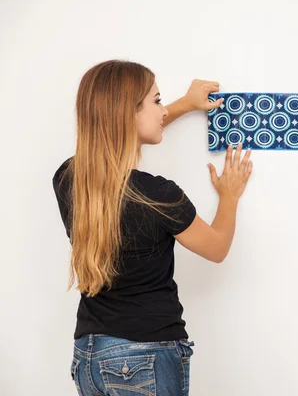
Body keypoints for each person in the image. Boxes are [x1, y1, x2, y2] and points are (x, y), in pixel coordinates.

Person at [53, 60, 252, 396]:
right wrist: (229, 196)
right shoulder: (158, 196)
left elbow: (119, 135)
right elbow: (217, 248)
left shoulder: (69, 179)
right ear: (128, 112)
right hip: (145, 355)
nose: (163, 110)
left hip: (90, 356)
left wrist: (185, 103)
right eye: (157, 101)